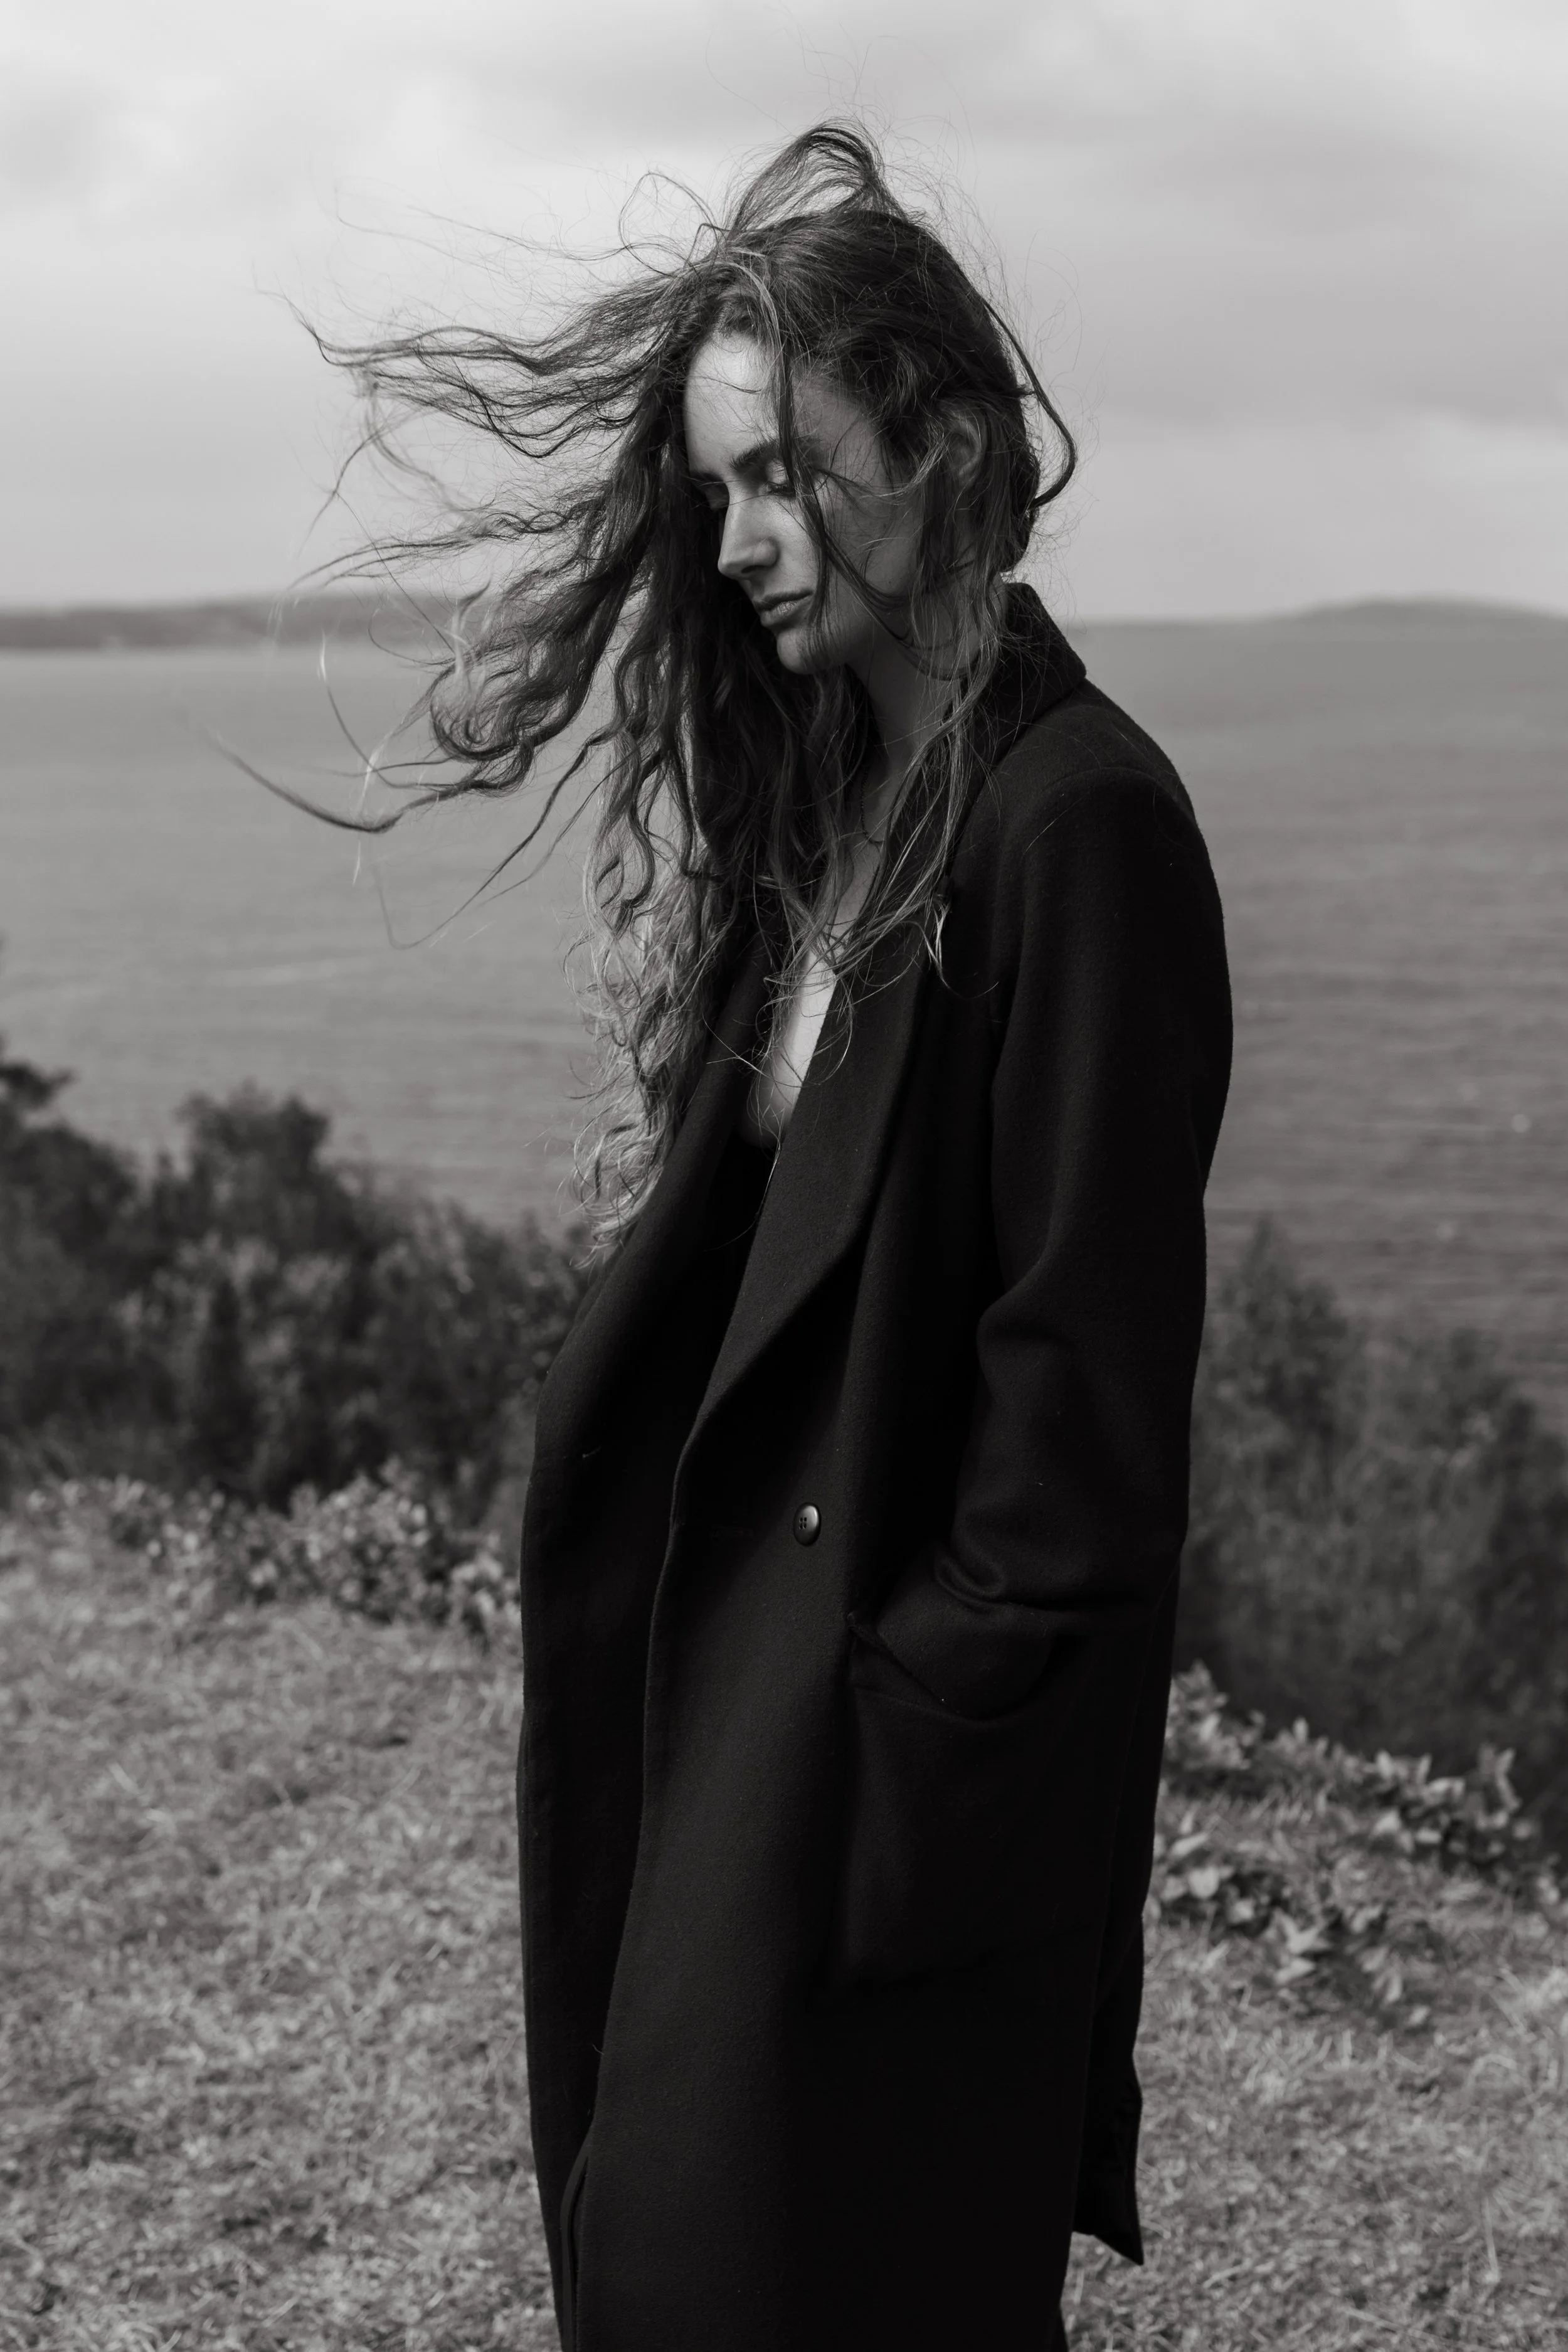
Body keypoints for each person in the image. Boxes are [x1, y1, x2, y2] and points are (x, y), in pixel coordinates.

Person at [329, 120, 1231, 2352]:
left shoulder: (1079, 826)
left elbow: (1083, 1430)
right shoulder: (838, 793)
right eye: (715, 486)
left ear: (930, 445)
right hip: (724, 1688)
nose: (731, 541)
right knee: (668, 2246)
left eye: (776, 476)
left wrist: (885, 1770)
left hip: (859, 1765)